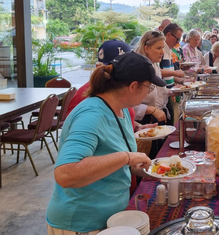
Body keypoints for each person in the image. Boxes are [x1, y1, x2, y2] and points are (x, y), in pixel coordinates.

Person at [46, 52, 167, 234]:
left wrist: (157, 170)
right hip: (81, 224)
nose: (148, 93)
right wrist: (126, 157)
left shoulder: (121, 109)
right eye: (148, 88)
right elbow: (65, 174)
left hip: (111, 217)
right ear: (133, 86)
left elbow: (112, 161)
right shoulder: (91, 115)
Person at [67, 40, 132, 115]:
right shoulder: (86, 95)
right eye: (114, 68)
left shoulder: (121, 89)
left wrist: (137, 126)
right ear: (99, 67)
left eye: (126, 68)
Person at [134, 31, 170, 125]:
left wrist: (168, 92)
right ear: (146, 48)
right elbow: (126, 105)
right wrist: (150, 109)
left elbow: (158, 91)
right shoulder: (136, 69)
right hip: (141, 122)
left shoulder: (154, 63)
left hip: (157, 116)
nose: (162, 52)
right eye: (158, 48)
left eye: (163, 48)